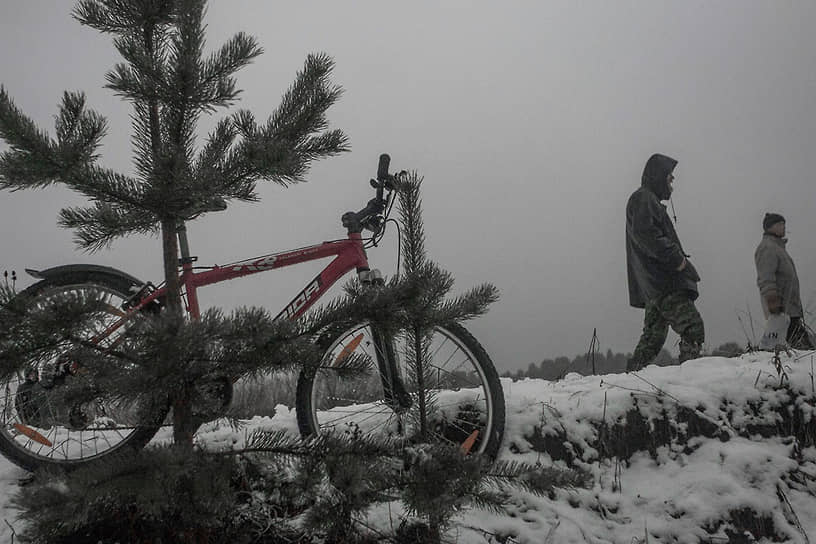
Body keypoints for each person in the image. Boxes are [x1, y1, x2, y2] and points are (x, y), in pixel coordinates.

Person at [625, 153, 704, 371]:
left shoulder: (646, 200)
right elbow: (646, 233)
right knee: (693, 328)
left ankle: (631, 378)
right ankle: (692, 375)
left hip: (654, 285)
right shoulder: (644, 198)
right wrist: (677, 259)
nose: (672, 185)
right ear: (659, 177)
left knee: (652, 339)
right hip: (664, 282)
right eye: (670, 179)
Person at [755, 213, 813, 350]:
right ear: (770, 227)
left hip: (790, 310)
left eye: (784, 224)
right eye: (780, 224)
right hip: (781, 310)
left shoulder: (778, 248)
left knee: (800, 349)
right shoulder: (767, 248)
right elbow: (766, 277)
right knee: (805, 351)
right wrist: (773, 301)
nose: (784, 227)